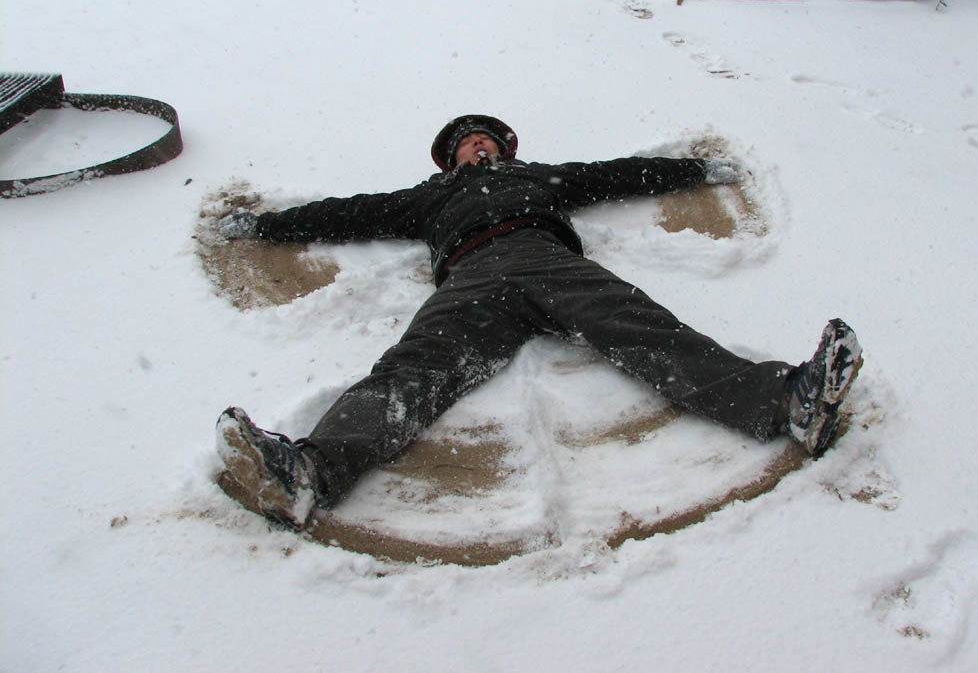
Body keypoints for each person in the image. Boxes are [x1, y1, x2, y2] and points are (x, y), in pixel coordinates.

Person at [215, 115, 863, 530]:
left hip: (546, 257)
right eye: (467, 141)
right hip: (471, 277)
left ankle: (788, 404)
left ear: (503, 147)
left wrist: (694, 170)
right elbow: (348, 214)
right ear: (450, 158)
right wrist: (266, 226)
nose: (479, 143)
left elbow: (614, 175)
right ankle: (313, 472)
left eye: (487, 137)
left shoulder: (538, 177)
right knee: (412, 372)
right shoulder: (430, 196)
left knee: (644, 329)